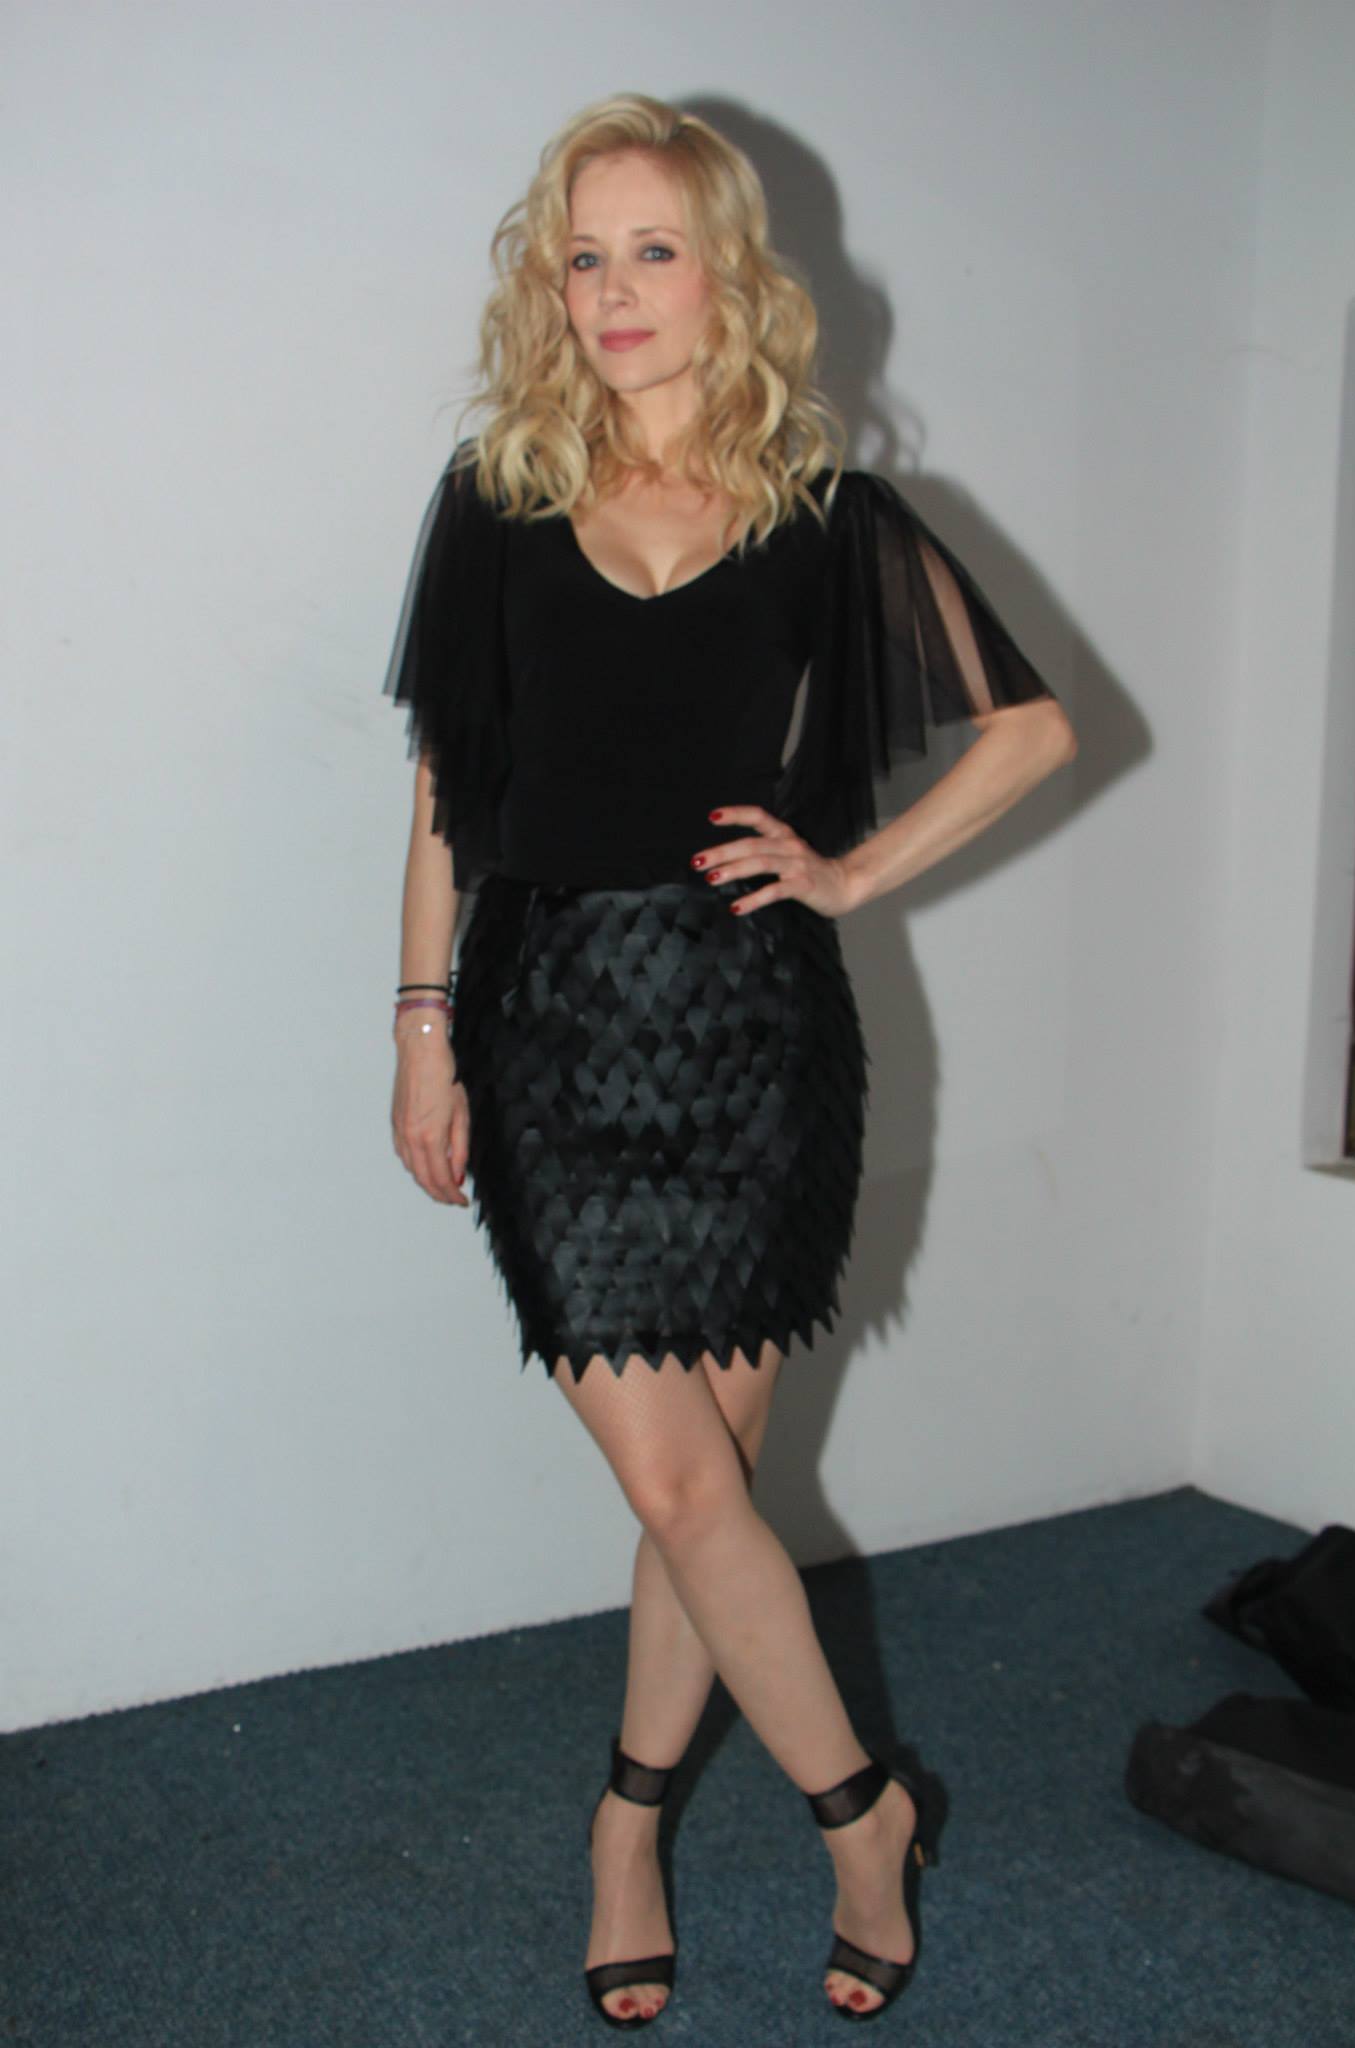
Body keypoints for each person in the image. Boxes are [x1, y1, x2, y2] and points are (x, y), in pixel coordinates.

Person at [382, 91, 1077, 2029]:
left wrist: (848, 868)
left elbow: (1028, 732)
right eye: (581, 256)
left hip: (754, 1041)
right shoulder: (496, 499)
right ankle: (862, 1817)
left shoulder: (823, 519)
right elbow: (443, 792)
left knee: (705, 1493)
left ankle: (625, 1825)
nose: (612, 291)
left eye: (651, 250)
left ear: (726, 278)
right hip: (544, 1029)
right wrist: (421, 1027)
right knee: (688, 1486)